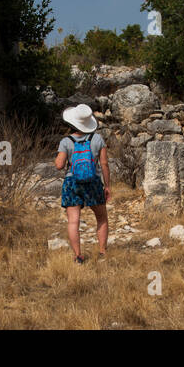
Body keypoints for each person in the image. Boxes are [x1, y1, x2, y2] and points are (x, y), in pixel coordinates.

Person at [54, 103, 110, 263]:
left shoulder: (66, 141)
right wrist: (107, 186)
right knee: (101, 217)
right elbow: (104, 164)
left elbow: (59, 165)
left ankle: (78, 256)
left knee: (73, 220)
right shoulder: (98, 139)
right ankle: (102, 252)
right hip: (93, 182)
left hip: (72, 182)